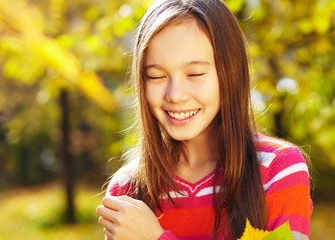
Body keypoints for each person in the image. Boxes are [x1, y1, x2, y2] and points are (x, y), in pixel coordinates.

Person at [96, 0, 312, 239]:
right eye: (156, 76)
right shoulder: (128, 188)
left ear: (230, 73)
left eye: (195, 74)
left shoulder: (277, 169)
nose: (175, 95)